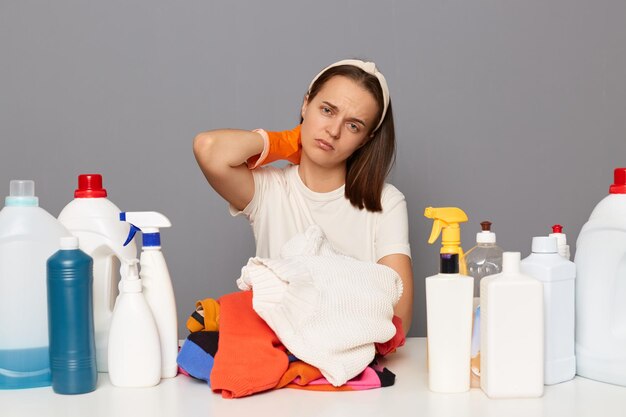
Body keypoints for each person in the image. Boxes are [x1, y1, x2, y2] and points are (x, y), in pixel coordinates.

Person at [193, 59, 414, 334]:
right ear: (305, 104)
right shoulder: (269, 190)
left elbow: (399, 316)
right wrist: (281, 142)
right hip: (277, 357)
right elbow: (209, 148)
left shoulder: (385, 201)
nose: (333, 131)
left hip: (355, 357)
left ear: (366, 140)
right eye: (326, 110)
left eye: (353, 126)